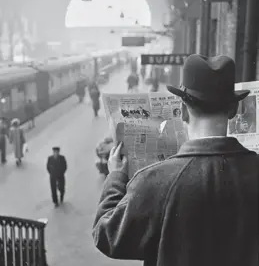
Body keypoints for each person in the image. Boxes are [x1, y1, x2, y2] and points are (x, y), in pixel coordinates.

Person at [92, 54, 258, 266]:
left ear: (182, 111)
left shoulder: (155, 180)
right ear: (234, 110)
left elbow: (107, 236)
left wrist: (115, 177)